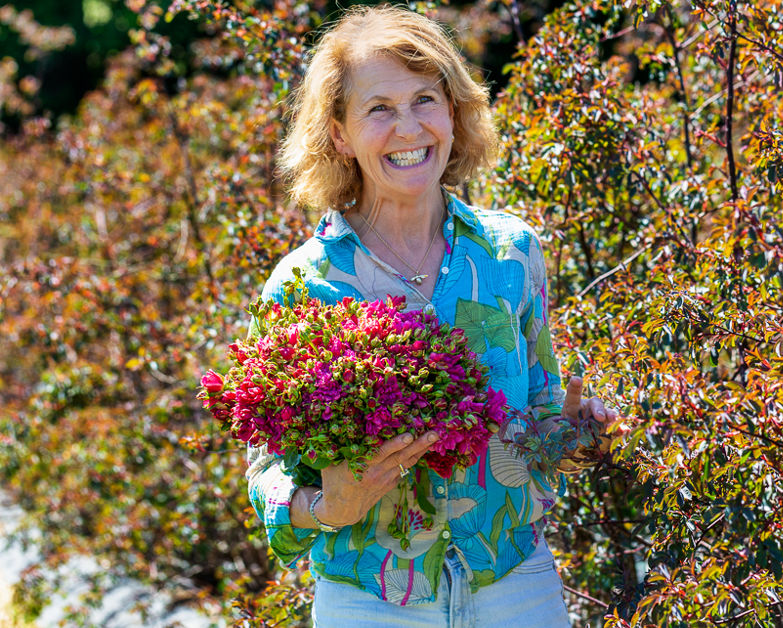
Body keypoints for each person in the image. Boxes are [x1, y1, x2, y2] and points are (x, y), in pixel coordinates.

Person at [244, 5, 618, 625]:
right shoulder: (304, 285)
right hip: (373, 599)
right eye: (379, 109)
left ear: (453, 111)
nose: (409, 127)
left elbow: (542, 422)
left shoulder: (511, 254)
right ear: (339, 134)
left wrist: (576, 438)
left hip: (515, 582)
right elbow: (265, 476)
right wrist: (328, 506)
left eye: (425, 99)